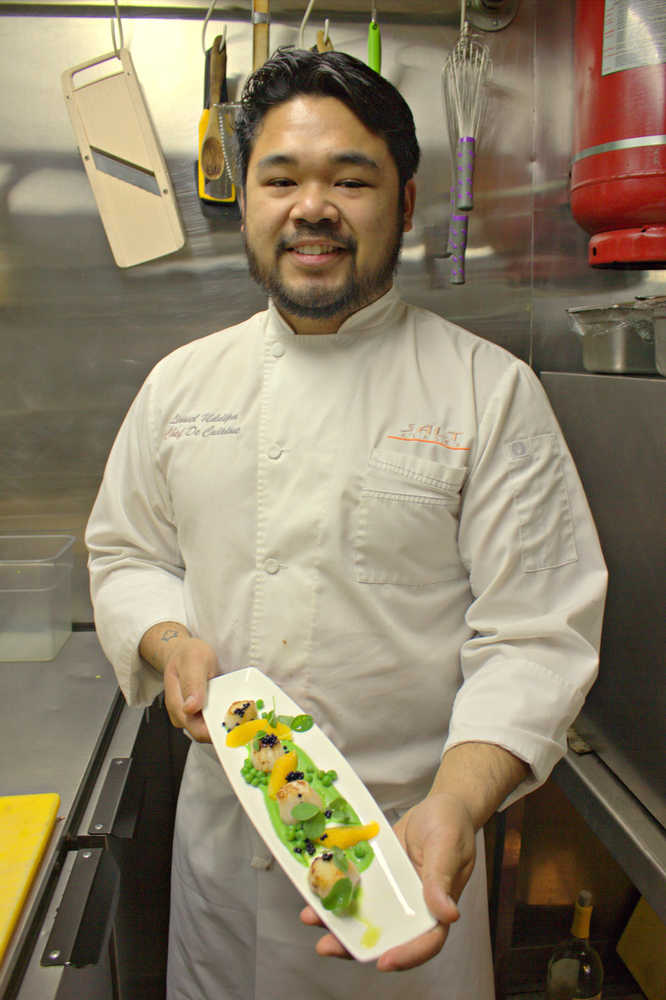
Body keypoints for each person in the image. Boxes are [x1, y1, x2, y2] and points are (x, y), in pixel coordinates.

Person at [85, 48, 607, 1000]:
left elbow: (536, 634)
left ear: (405, 206)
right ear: (247, 202)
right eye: (280, 179)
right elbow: (127, 554)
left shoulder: (488, 393)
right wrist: (170, 641)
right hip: (219, 873)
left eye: (350, 179)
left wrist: (455, 803)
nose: (311, 207)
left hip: (409, 871)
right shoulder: (182, 386)